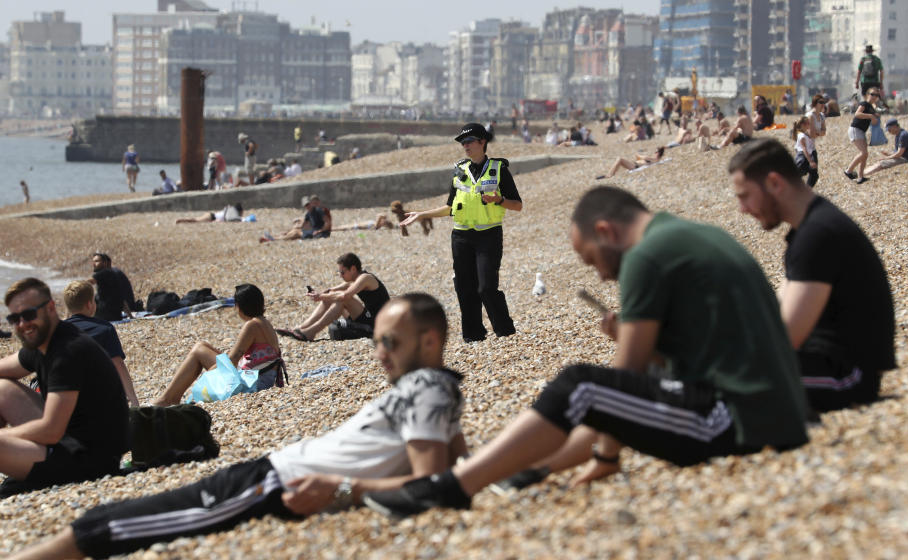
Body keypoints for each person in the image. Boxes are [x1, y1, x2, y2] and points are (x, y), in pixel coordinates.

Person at [362, 186, 809, 517]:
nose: (599, 275)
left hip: (739, 422)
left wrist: (608, 457)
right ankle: (527, 470)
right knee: (601, 388)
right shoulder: (692, 236)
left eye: (592, 258)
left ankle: (453, 487)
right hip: (774, 407)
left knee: (581, 384)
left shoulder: (646, 257)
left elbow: (625, 380)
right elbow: (698, 351)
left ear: (604, 230)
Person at [11, 294, 467, 560]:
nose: (378, 350)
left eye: (390, 341)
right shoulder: (437, 392)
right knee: (135, 514)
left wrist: (343, 488)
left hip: (275, 482)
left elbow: (432, 483)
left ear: (428, 342)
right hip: (271, 472)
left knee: (117, 523)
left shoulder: (427, 387)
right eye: (378, 338)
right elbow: (456, 467)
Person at [729, 138, 896, 411]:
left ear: (774, 183)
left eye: (744, 195)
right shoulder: (810, 229)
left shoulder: (818, 235)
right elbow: (776, 315)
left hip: (846, 377)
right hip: (827, 367)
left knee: (719, 379)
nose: (742, 209)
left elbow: (783, 339)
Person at [0, 278, 129, 490]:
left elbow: (51, 430)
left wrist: (5, 436)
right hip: (67, 439)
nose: (22, 324)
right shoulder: (44, 342)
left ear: (51, 308)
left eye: (29, 315)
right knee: (2, 388)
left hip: (89, 460)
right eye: (15, 318)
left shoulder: (68, 351)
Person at [398, 123, 521, 342]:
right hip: (461, 237)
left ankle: (505, 333)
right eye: (462, 142)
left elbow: (518, 205)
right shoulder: (459, 170)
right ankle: (473, 336)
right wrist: (422, 214)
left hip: (488, 235)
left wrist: (499, 200)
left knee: (486, 288)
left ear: (482, 142)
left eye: (469, 141)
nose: (465, 146)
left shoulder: (499, 169)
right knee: (464, 288)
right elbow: (450, 207)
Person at [153, 284, 282, 407]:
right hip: (260, 378)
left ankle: (167, 399)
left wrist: (208, 374)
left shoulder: (252, 325)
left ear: (241, 306)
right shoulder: (264, 322)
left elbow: (232, 359)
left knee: (199, 351)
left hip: (254, 384)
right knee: (202, 345)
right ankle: (171, 398)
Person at [278, 253, 390, 342]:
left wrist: (321, 296)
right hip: (368, 317)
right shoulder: (354, 279)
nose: (340, 275)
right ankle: (301, 328)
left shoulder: (365, 278)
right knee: (330, 298)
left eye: (342, 272)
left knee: (343, 300)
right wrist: (319, 294)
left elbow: (345, 295)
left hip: (377, 323)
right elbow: (332, 290)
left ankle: (311, 332)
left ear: (353, 269)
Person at [62, 280, 139, 406]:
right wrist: (133, 399)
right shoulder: (104, 329)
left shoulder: (57, 332)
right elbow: (118, 365)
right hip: (97, 398)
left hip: (64, 397)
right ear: (89, 304)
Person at [843, 87, 881, 184]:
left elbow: (871, 119)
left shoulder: (871, 107)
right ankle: (849, 171)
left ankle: (860, 177)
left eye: (876, 95)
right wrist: (871, 116)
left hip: (862, 131)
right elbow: (857, 114)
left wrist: (874, 117)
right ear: (868, 94)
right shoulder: (864, 103)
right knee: (863, 153)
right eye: (872, 94)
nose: (874, 97)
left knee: (865, 154)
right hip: (856, 129)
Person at [260, 196, 331, 243]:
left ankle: (274, 240)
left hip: (321, 234)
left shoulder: (318, 211)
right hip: (314, 231)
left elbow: (328, 223)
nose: (307, 206)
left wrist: (319, 231)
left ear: (311, 203)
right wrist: (287, 231)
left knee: (296, 233)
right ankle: (275, 237)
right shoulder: (308, 214)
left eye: (308, 204)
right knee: (295, 230)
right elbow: (303, 226)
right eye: (306, 205)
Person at [90, 252, 135, 322]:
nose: (93, 264)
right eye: (93, 261)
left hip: (105, 316)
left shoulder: (104, 273)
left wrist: (73, 286)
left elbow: (88, 282)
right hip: (116, 316)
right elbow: (121, 297)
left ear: (104, 263)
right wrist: (130, 316)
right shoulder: (112, 274)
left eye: (96, 261)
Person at [595, 146, 666, 179]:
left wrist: (640, 155)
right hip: (634, 164)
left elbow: (644, 157)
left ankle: (609, 175)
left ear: (658, 153)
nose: (654, 152)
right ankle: (610, 174)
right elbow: (642, 158)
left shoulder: (655, 159)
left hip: (635, 166)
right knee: (619, 161)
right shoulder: (653, 158)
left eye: (656, 151)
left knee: (619, 159)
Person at [792, 115, 819, 187]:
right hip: (804, 157)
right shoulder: (801, 136)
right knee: (799, 173)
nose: (809, 124)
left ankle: (806, 191)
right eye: (808, 123)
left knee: (814, 175)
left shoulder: (805, 133)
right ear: (802, 125)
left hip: (808, 155)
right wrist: (810, 161)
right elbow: (804, 149)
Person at [175, 203, 244, 224]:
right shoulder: (232, 214)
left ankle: (181, 220)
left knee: (196, 220)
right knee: (196, 220)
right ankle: (180, 220)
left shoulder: (229, 210)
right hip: (211, 217)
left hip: (211, 215)